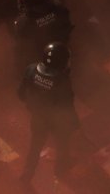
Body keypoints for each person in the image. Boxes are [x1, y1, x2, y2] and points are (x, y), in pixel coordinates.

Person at [17, 42, 78, 183]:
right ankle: (61, 169)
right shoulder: (62, 81)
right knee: (63, 143)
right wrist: (74, 124)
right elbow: (67, 106)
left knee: (35, 146)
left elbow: (20, 93)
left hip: (38, 118)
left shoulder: (31, 69)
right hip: (56, 121)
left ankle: (27, 174)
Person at [14, 0, 73, 70]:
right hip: (60, 47)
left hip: (38, 54)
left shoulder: (25, 21)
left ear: (27, 1)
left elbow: (23, 42)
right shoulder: (59, 7)